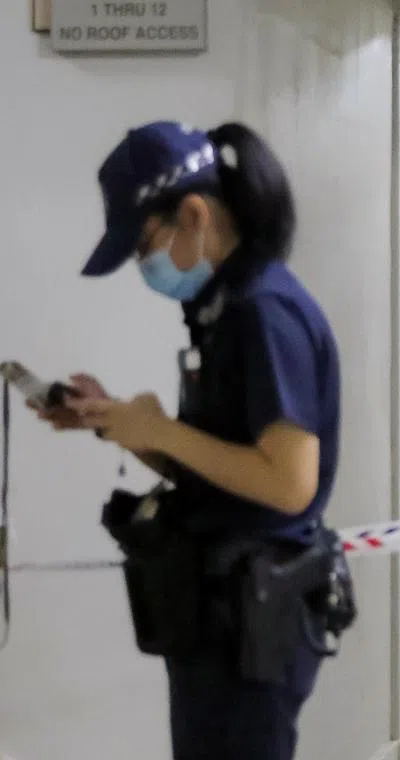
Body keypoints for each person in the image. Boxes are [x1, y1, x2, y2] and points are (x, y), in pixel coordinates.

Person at [32, 121, 352, 759]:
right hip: (216, 613)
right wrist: (123, 427)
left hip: (254, 615)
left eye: (143, 245)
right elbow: (227, 469)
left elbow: (289, 483)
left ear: (195, 215)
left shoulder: (265, 311)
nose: (143, 267)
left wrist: (163, 430)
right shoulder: (223, 308)